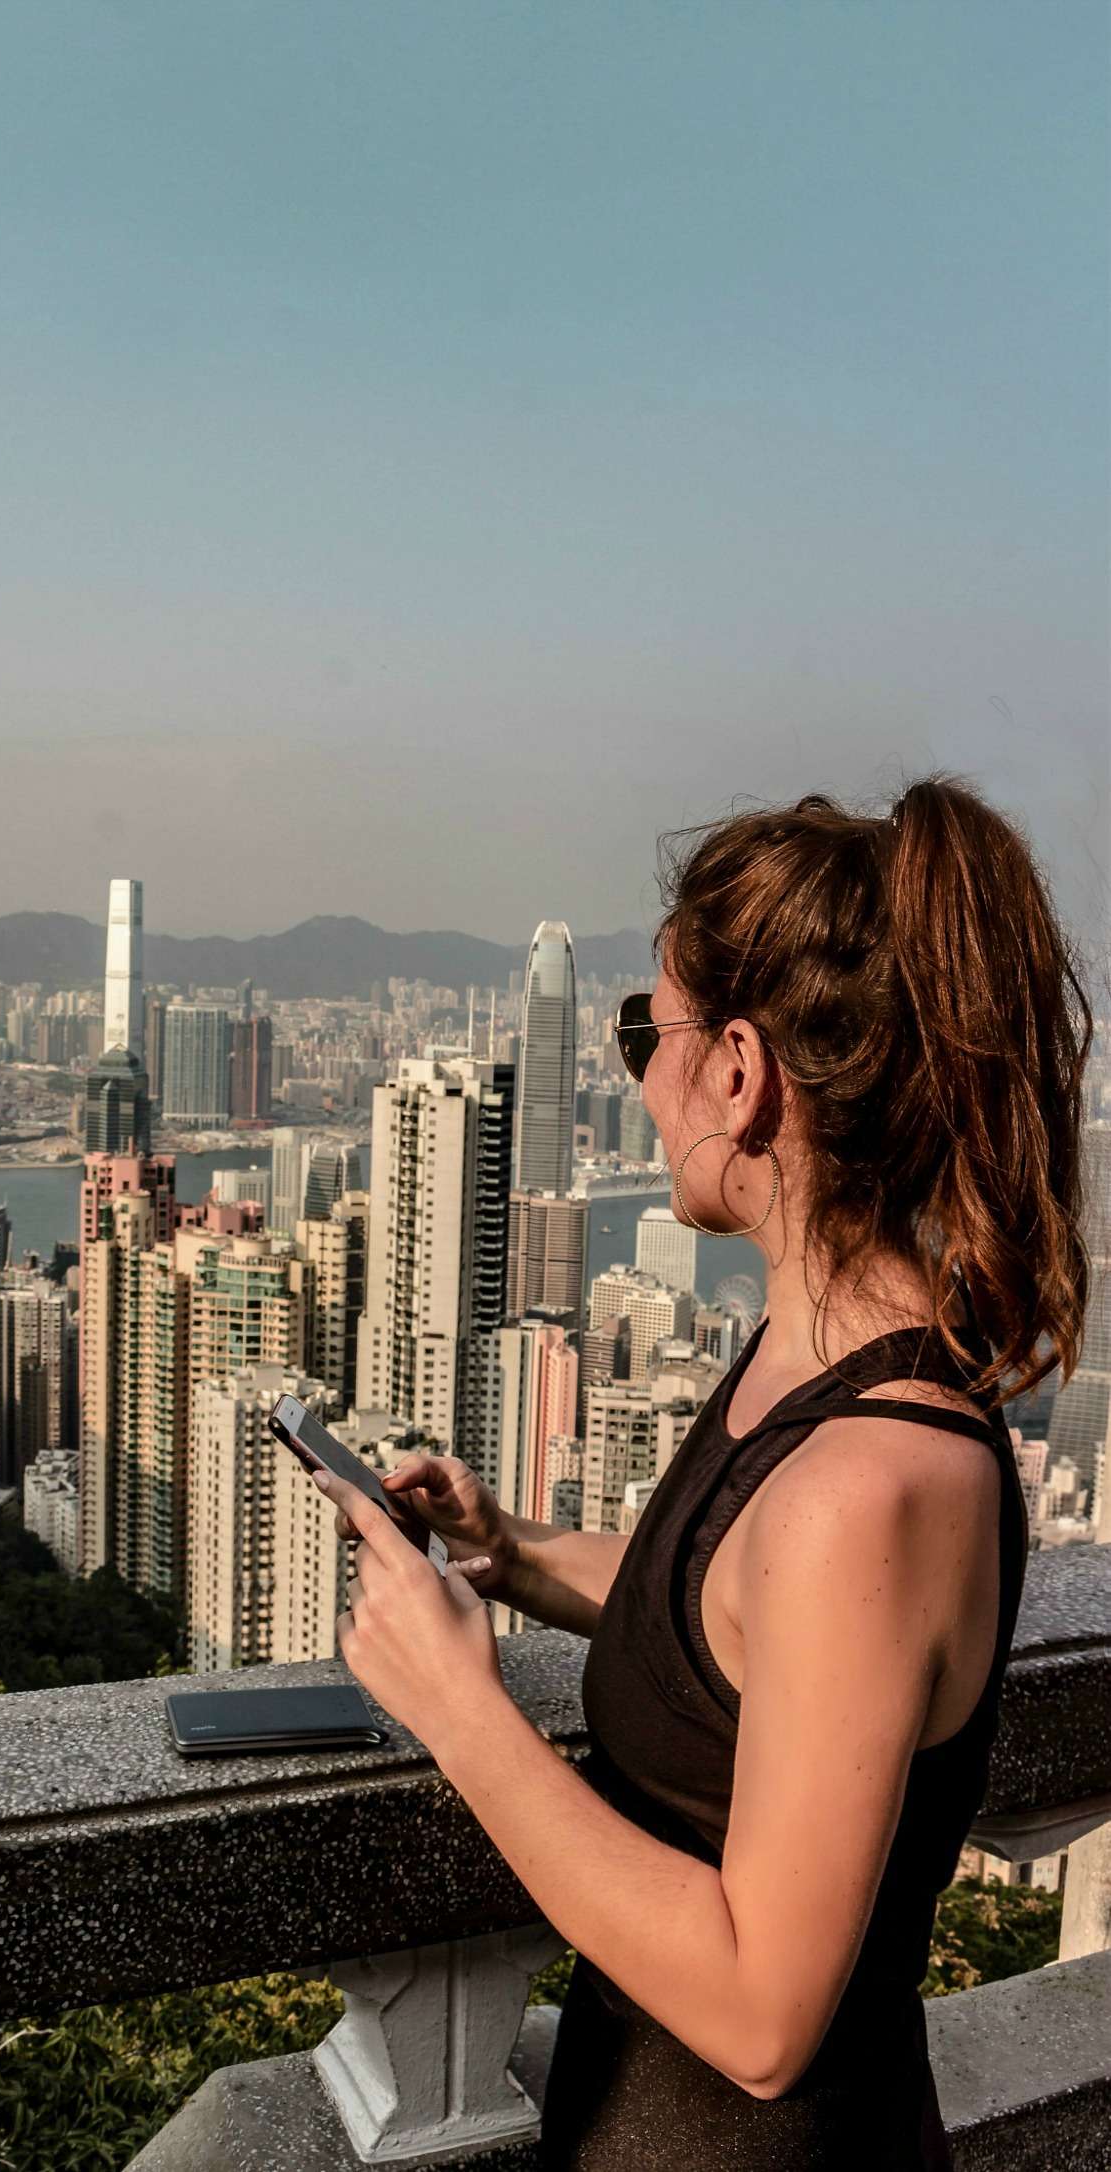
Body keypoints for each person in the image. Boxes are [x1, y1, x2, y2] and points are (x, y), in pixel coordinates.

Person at [310, 772, 1096, 2170]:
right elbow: (747, 1632)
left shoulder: (870, 1480)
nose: (642, 1076)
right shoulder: (802, 1365)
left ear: (736, 1072)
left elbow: (759, 2012)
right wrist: (522, 1555)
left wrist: (457, 1705)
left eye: (645, 1032)